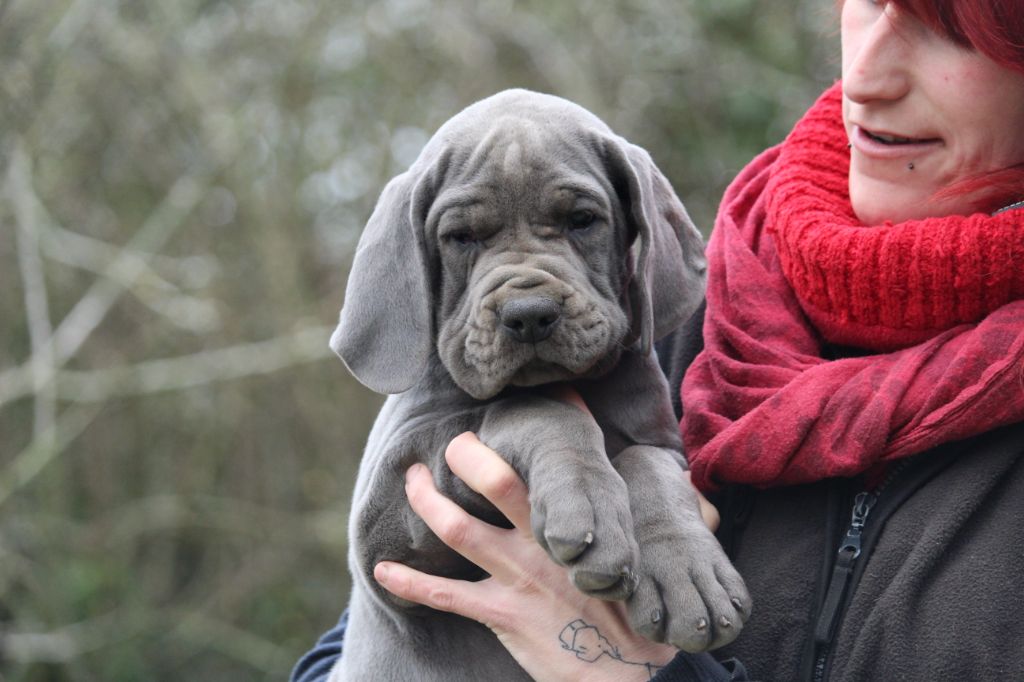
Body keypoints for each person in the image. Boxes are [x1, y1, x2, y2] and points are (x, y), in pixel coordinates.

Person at [293, 1, 1024, 680]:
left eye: (947, 24)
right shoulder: (695, 318)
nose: (864, 75)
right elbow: (367, 622)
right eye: (866, 2)